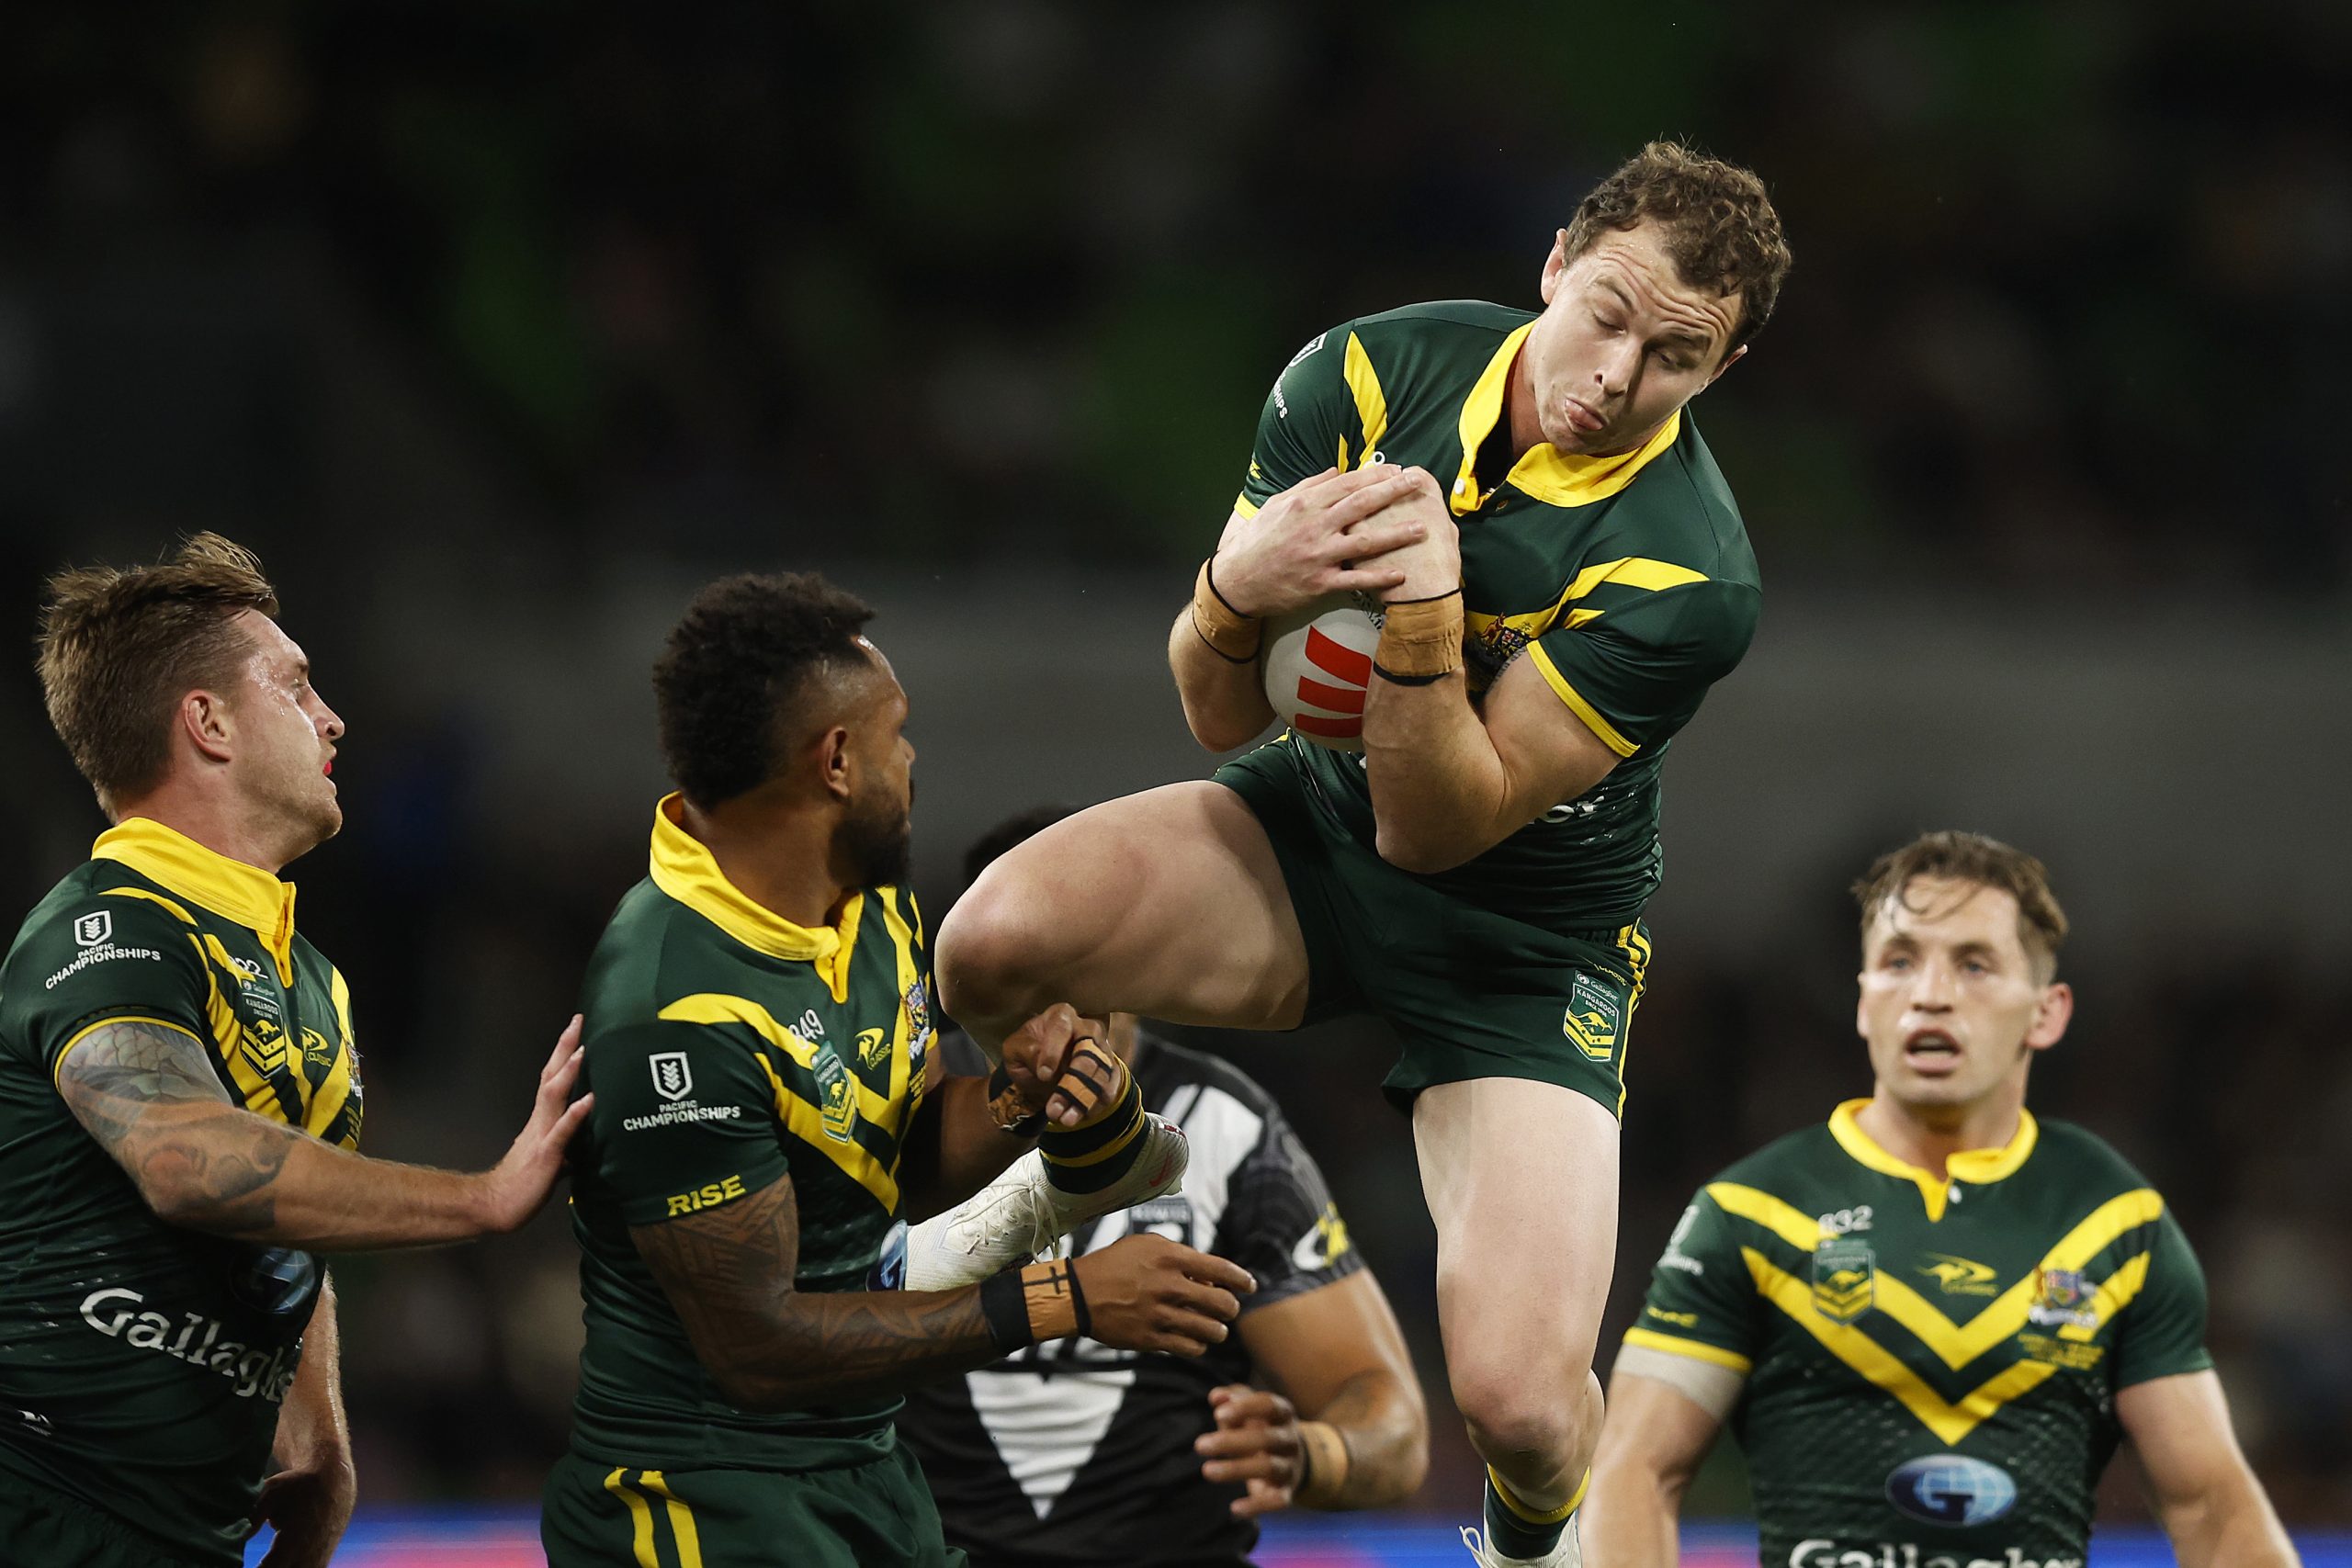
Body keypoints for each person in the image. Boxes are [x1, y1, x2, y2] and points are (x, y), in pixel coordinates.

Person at [934, 141, 1792, 1567]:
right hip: (1313, 824)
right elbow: (1219, 712)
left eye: (1674, 356)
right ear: (1553, 269)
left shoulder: (1693, 574)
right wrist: (1232, 588)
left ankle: (1531, 1548)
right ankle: (1097, 1162)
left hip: (1526, 939)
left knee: (1520, 1404)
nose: (1611, 374)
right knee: (987, 947)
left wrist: (1420, 612)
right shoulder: (1362, 376)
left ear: (1726, 367)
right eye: (1605, 313)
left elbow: (1440, 824)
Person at [540, 571, 1255, 1568]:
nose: (911, 761)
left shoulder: (870, 906)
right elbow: (756, 1350)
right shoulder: (677, 1009)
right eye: (896, 732)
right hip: (705, 1497)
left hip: (866, 1471)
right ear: (835, 760)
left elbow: (896, 1150)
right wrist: (1066, 1301)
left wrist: (1019, 1105)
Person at [0, 534, 594, 1568]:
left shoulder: (311, 980)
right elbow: (187, 1161)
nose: (334, 717)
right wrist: (483, 1198)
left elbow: (285, 1217)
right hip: (44, 1500)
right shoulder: (104, 931)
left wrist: (320, 1435)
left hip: (193, 1528)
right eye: (297, 684)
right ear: (208, 722)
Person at [1583, 831, 2301, 1568]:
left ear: (2046, 1012)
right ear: (1864, 1002)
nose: (1930, 993)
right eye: (1899, 961)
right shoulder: (1751, 1213)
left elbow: (2211, 1507)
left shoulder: (2114, 1221)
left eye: (1974, 963)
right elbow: (1634, 1469)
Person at [898, 806, 1428, 1567]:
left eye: (1070, 960)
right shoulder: (906, 1112)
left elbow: (1391, 1420)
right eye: (1016, 973)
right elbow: (791, 1341)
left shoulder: (1224, 1126)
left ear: (1131, 953)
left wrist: (1312, 1453)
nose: (1051, 1009)